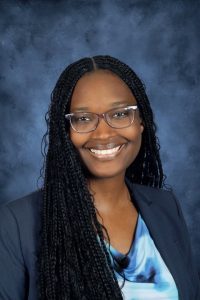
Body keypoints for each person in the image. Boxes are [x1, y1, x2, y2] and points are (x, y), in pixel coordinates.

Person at [0, 55, 199, 300]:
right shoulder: (15, 224)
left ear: (141, 122)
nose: (103, 134)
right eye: (83, 119)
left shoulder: (166, 207)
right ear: (65, 133)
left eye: (119, 114)